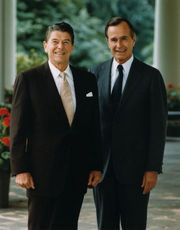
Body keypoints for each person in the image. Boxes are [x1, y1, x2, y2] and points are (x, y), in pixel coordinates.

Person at [10, 22, 102, 230]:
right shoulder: (28, 79)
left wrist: (96, 164)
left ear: (72, 47)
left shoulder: (87, 80)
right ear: (45, 46)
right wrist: (20, 169)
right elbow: (17, 128)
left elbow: (93, 127)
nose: (60, 46)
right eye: (55, 42)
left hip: (76, 173)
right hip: (41, 175)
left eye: (66, 42)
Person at [89, 17, 167, 230]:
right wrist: (90, 164)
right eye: (113, 39)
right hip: (103, 172)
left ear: (134, 40)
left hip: (136, 173)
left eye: (124, 38)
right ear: (107, 42)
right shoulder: (94, 74)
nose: (119, 45)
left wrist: (152, 168)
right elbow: (89, 125)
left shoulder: (151, 77)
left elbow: (158, 127)